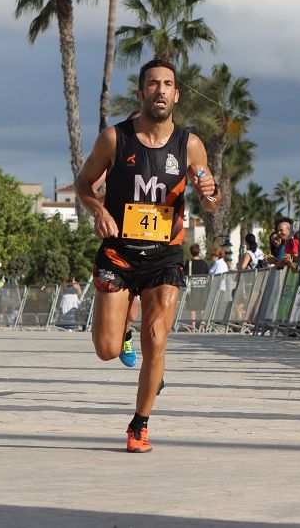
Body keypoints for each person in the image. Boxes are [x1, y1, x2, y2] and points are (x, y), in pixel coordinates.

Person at [75, 57, 218, 453]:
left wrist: (210, 195)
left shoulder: (189, 144)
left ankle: (140, 424)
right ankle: (122, 336)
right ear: (141, 94)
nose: (160, 90)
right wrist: (99, 211)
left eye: (167, 84)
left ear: (177, 94)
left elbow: (209, 195)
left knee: (158, 335)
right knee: (105, 350)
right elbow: (84, 183)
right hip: (118, 254)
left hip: (164, 257)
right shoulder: (114, 138)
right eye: (153, 84)